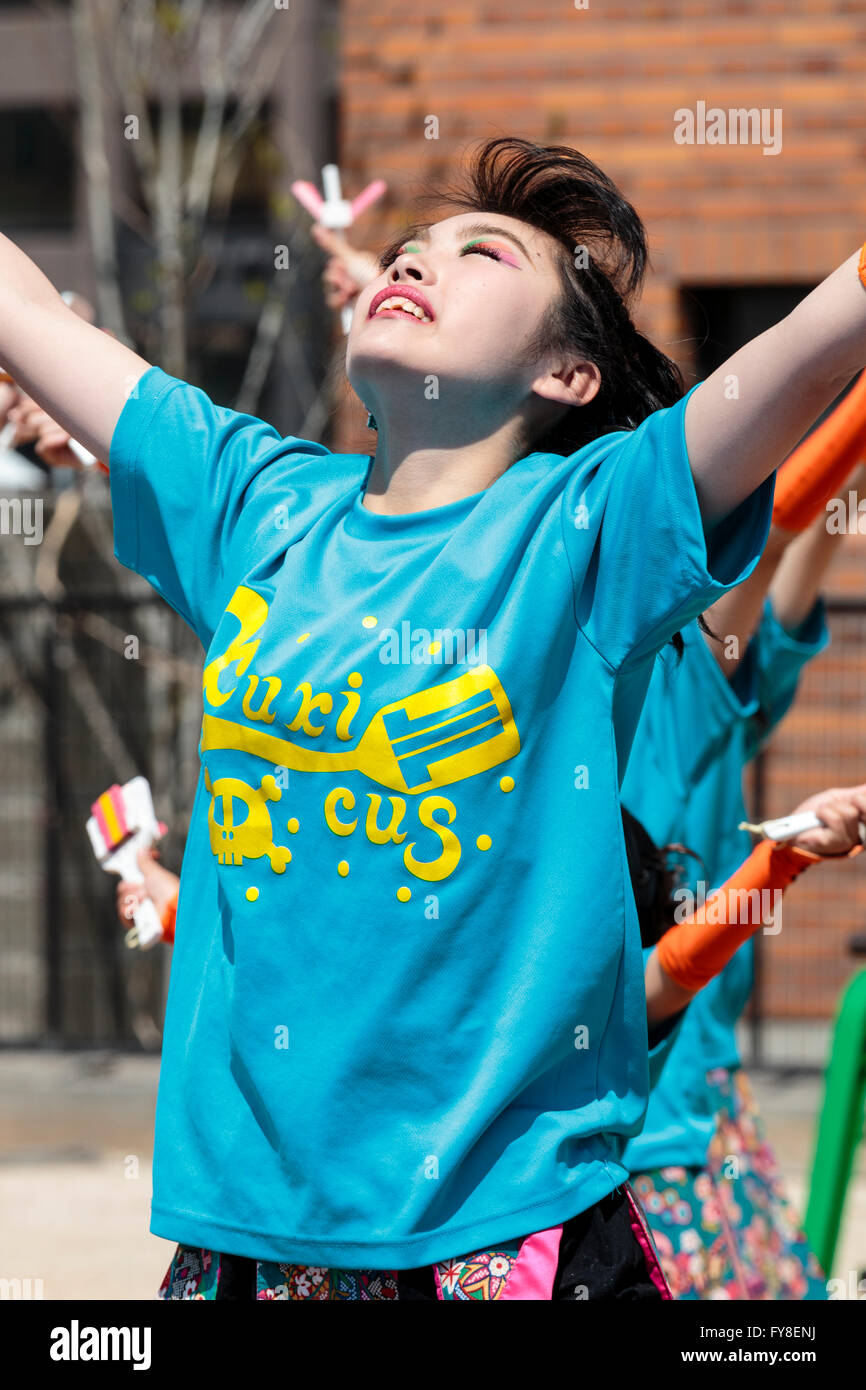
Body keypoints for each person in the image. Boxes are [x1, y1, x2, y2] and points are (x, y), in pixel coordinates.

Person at [2, 134, 865, 1299]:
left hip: (500, 1237)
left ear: (566, 374)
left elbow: (809, 352)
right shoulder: (255, 504)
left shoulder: (590, 527)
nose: (421, 258)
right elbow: (29, 318)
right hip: (245, 1239)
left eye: (483, 251)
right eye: (413, 244)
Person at [620, 388, 866, 1300]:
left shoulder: (689, 687)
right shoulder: (625, 688)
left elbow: (791, 538)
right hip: (642, 1113)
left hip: (687, 1094)